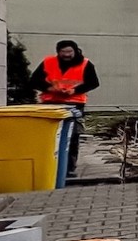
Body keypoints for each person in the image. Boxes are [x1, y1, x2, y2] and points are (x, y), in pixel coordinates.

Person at [30, 40, 99, 178]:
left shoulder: (86, 64)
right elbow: (34, 81)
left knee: (72, 136)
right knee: (50, 137)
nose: (66, 55)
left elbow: (93, 82)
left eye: (69, 52)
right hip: (50, 103)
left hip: (74, 104)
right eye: (63, 52)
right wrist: (50, 88)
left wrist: (74, 90)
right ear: (58, 52)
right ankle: (50, 166)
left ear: (75, 51)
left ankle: (68, 168)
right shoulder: (48, 62)